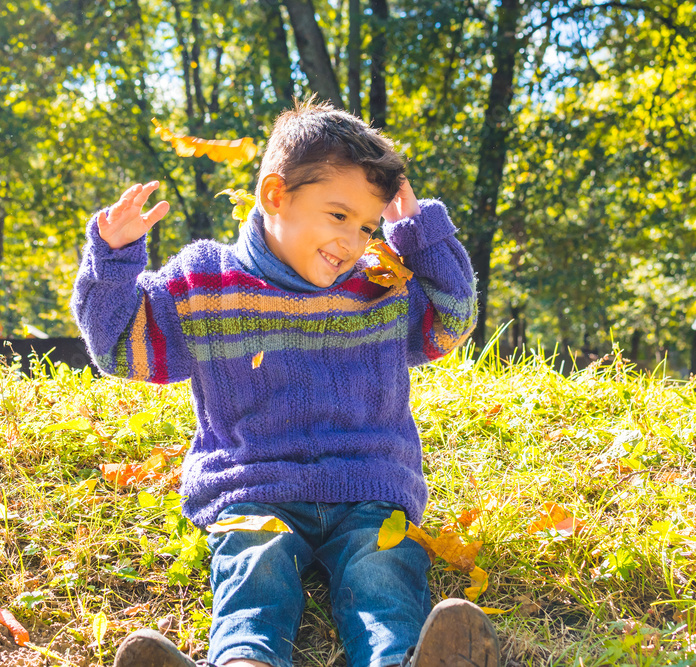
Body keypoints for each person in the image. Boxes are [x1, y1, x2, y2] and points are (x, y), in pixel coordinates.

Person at [70, 97, 498, 667]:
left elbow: (452, 320)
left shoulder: (380, 283)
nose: (353, 239)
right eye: (339, 215)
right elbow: (122, 347)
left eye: (368, 224)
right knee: (255, 569)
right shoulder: (206, 284)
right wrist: (115, 258)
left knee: (382, 570)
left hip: (369, 484)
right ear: (275, 195)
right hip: (254, 486)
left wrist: (416, 232)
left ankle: (402, 660)